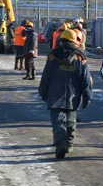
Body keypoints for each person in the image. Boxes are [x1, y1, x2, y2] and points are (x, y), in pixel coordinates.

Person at [39, 29, 93, 159]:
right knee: (70, 121)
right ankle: (68, 144)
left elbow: (46, 76)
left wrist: (43, 91)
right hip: (73, 95)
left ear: (61, 40)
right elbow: (85, 79)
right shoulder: (80, 57)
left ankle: (60, 143)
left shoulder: (53, 55)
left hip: (55, 93)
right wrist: (87, 96)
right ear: (75, 41)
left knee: (58, 122)